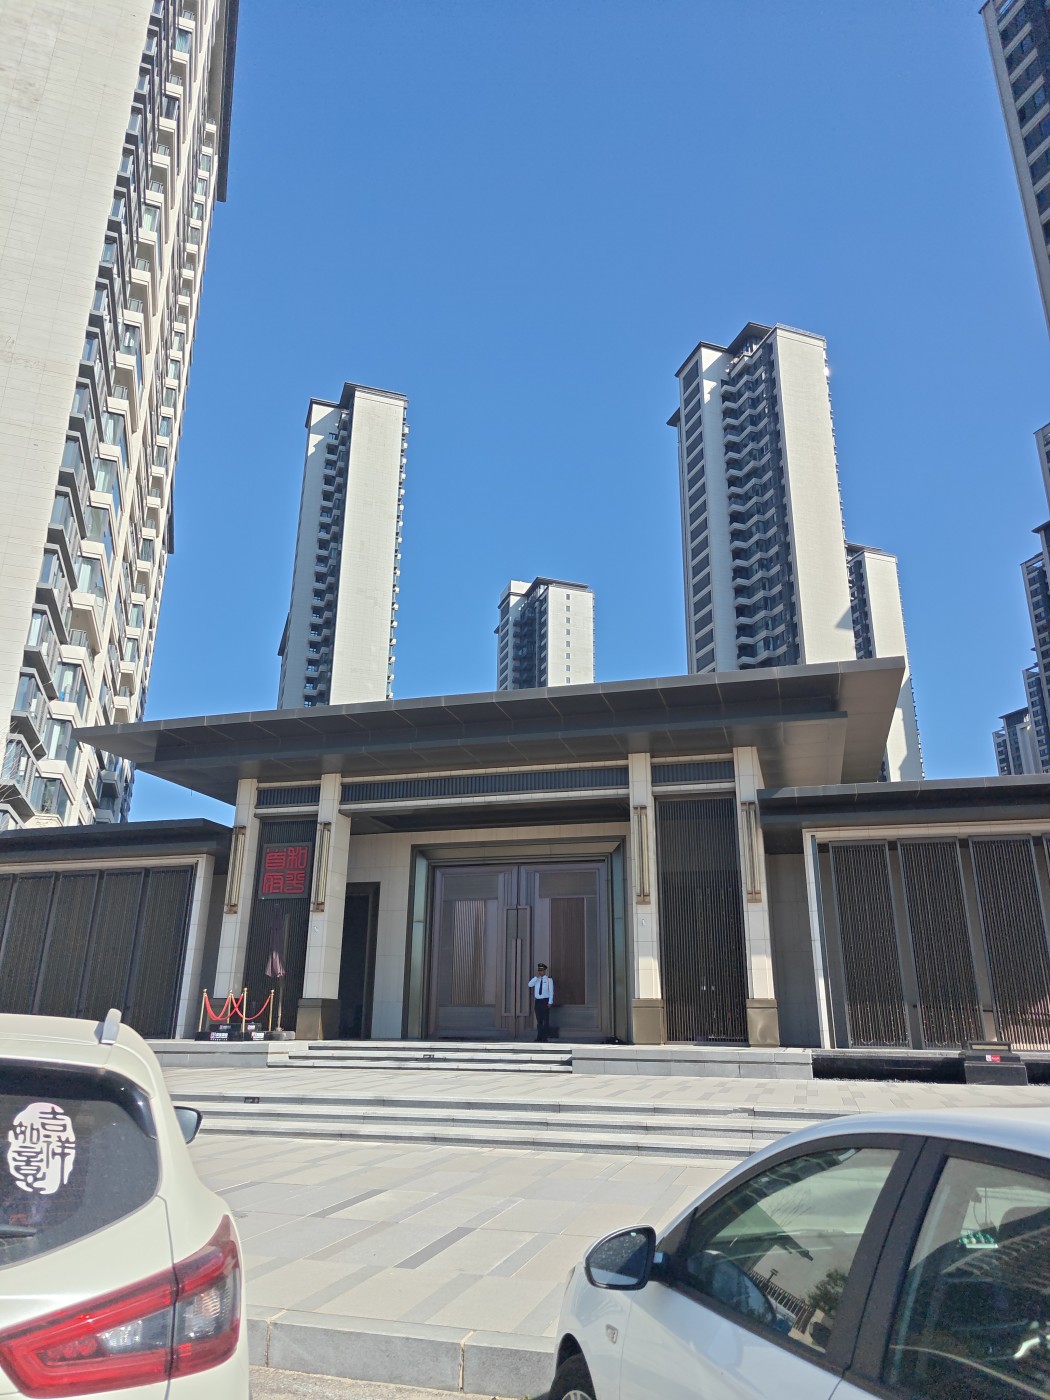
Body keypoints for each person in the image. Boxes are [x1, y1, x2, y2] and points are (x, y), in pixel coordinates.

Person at [527, 963, 554, 1042]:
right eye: (539, 970)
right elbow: (529, 985)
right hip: (538, 1001)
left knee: (546, 1020)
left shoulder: (549, 980)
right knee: (539, 1021)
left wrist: (550, 1002)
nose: (540, 972)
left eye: (541, 970)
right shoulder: (536, 980)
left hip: (545, 1001)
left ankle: (545, 1037)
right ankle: (539, 1037)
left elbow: (551, 991)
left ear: (544, 971)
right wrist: (536, 977)